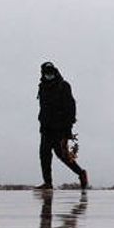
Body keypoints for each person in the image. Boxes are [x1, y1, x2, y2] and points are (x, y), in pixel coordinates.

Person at [36, 62, 88, 190]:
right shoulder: (42, 86)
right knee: (44, 154)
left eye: (51, 71)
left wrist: (68, 128)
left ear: (55, 71)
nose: (49, 74)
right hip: (46, 128)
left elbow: (71, 106)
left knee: (62, 155)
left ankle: (81, 173)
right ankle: (47, 182)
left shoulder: (63, 86)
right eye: (46, 72)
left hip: (60, 128)